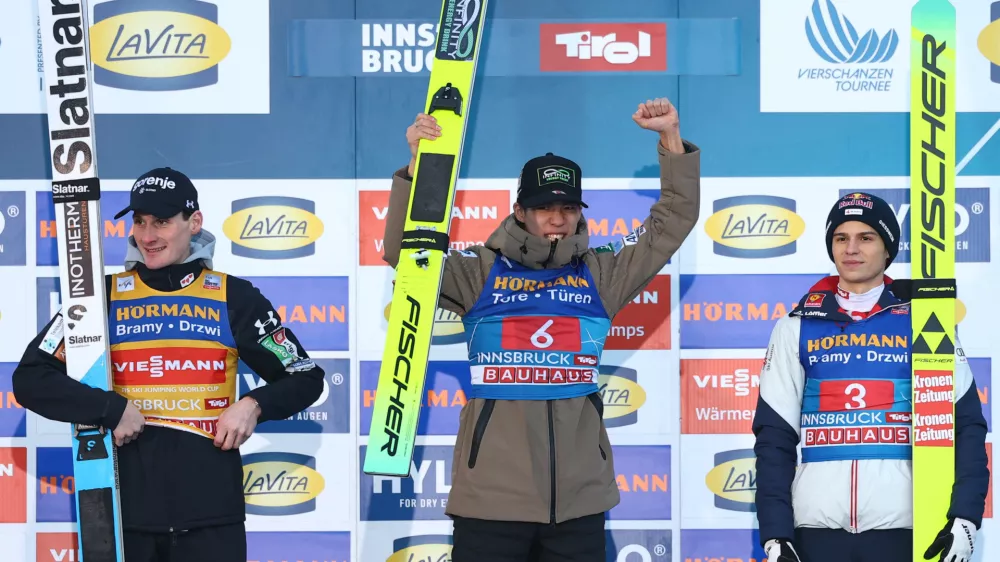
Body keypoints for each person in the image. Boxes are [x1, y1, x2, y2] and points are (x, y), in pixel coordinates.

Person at [381, 97, 700, 561]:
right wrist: (418, 167)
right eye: (544, 205)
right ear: (520, 210)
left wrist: (671, 140)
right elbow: (405, 254)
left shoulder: (600, 273)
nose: (557, 217)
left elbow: (671, 223)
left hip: (579, 504)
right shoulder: (478, 271)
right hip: (490, 502)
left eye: (568, 206)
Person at [13, 167, 325, 562]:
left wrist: (254, 405)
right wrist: (110, 408)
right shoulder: (98, 301)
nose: (147, 236)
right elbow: (30, 378)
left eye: (161, 222)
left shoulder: (235, 298)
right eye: (140, 222)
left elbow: (305, 376)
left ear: (194, 222)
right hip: (122, 520)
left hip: (212, 520)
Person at [752, 192, 990, 562]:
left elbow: (965, 426)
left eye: (866, 237)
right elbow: (775, 439)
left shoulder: (924, 321)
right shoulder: (795, 327)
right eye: (840, 238)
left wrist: (965, 518)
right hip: (815, 534)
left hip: (906, 530)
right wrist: (776, 535)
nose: (851, 248)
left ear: (887, 248)